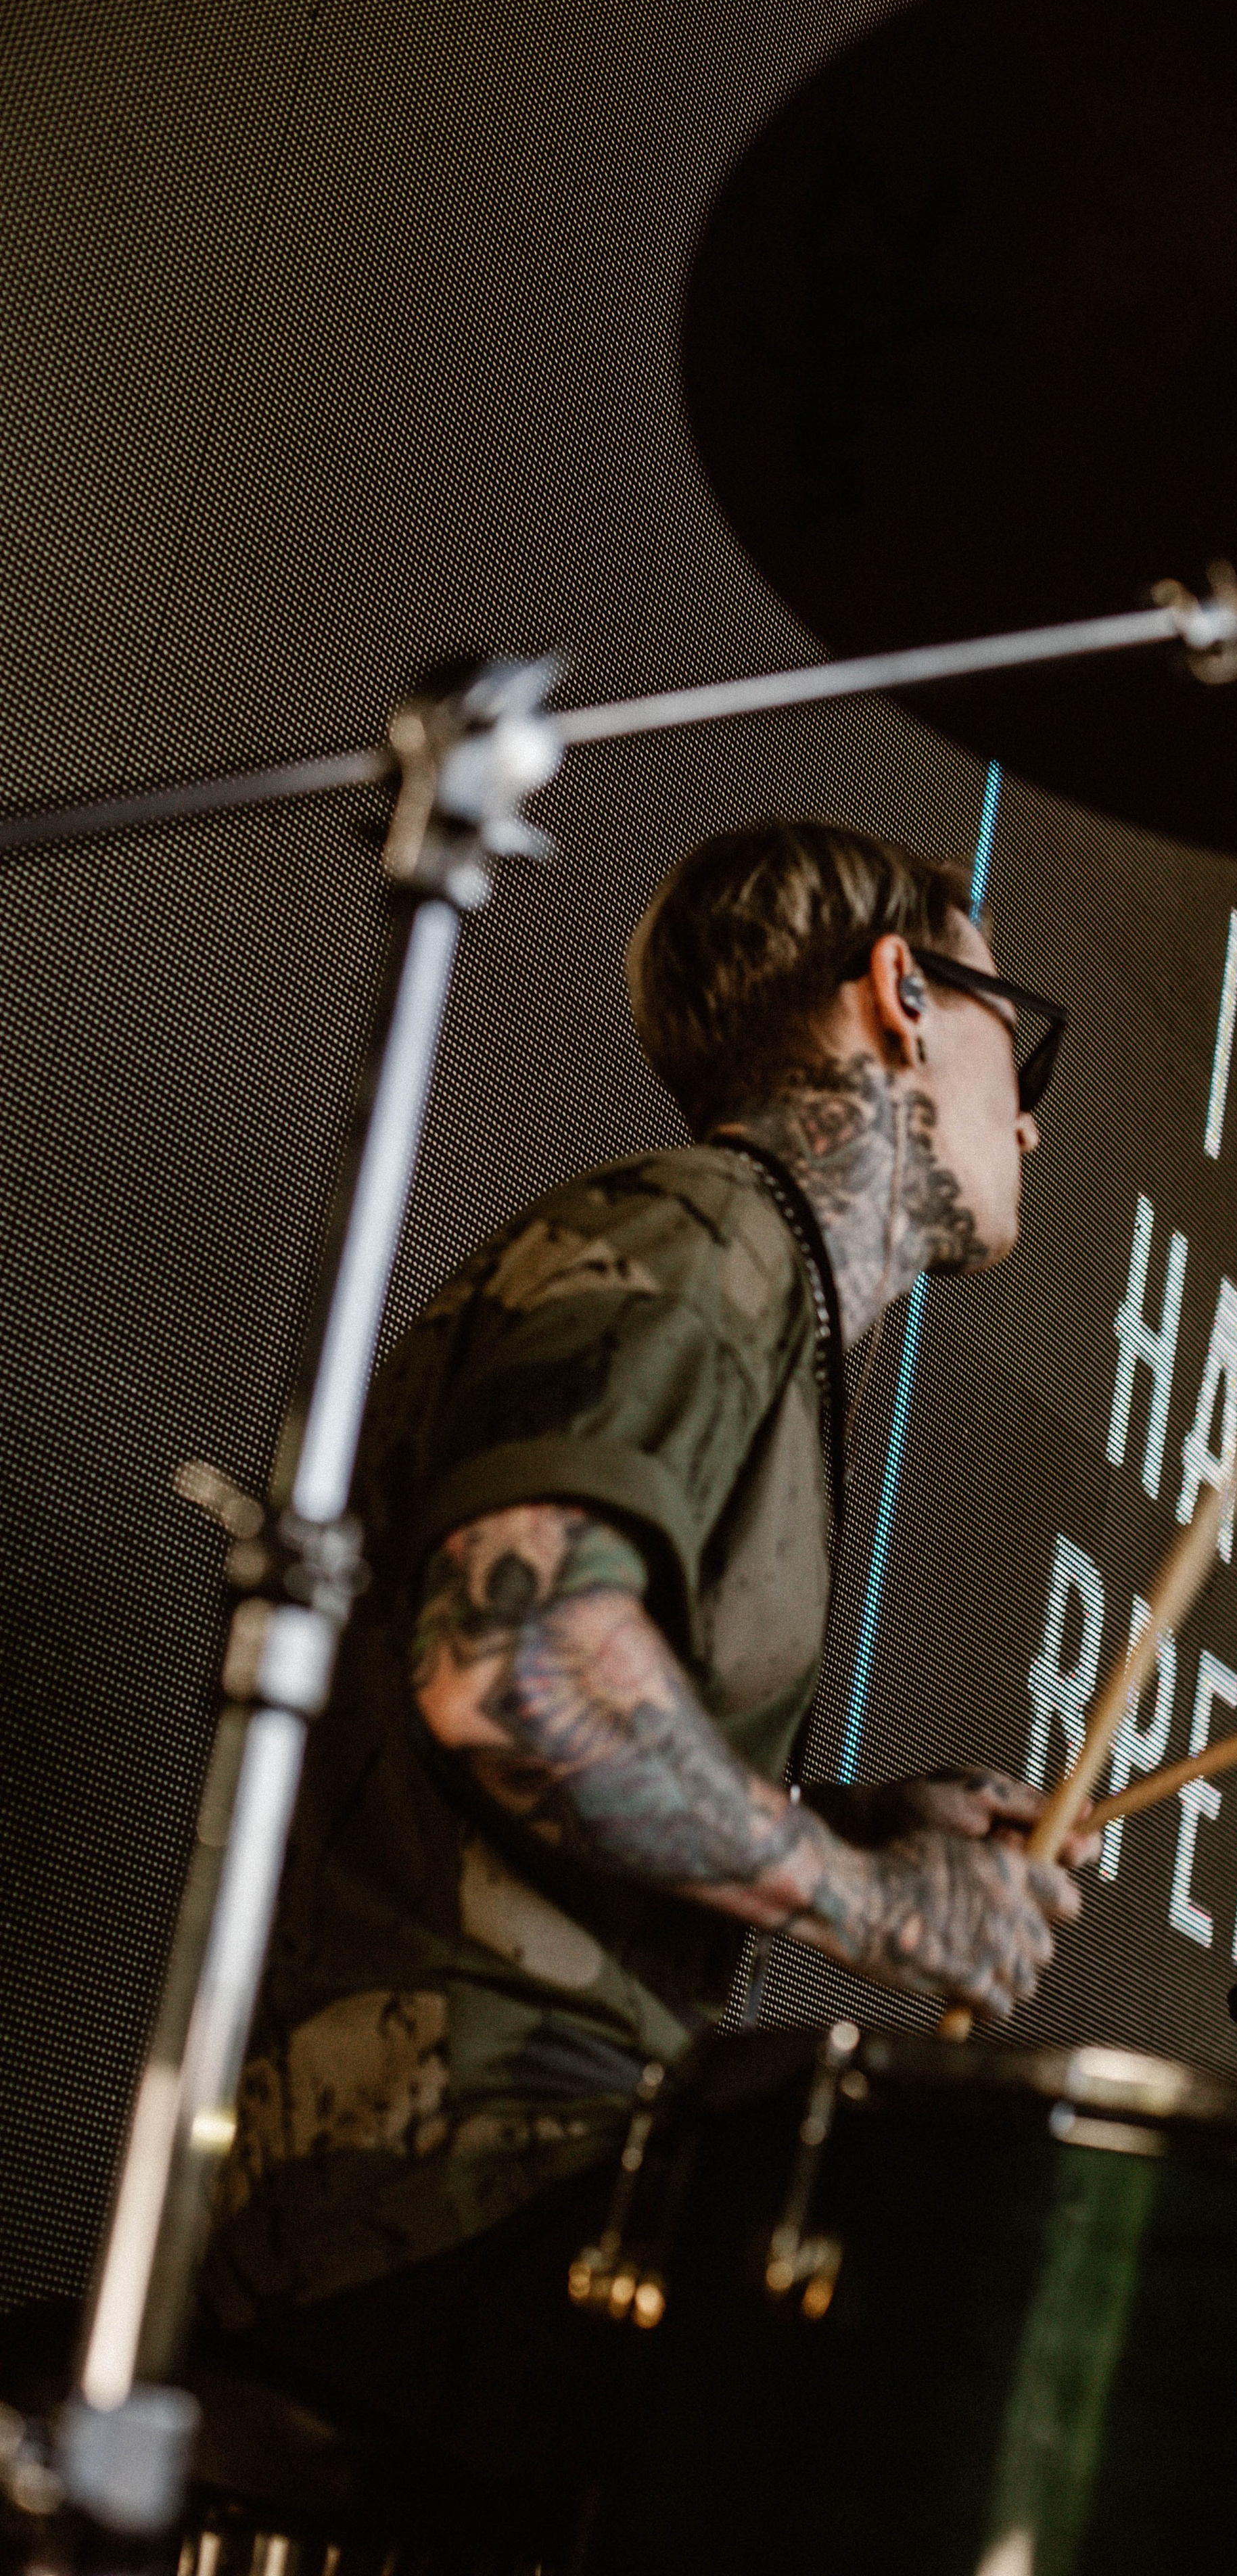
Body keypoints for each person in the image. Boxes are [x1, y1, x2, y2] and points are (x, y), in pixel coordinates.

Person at [199, 818, 1090, 2523]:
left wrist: (844, 1815)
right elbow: (512, 1665)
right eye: (1010, 1036)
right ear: (901, 995)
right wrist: (871, 1904)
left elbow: (501, 1728)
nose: (1029, 1110)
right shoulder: (708, 1241)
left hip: (464, 2181)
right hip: (443, 2188)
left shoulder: (727, 1275)